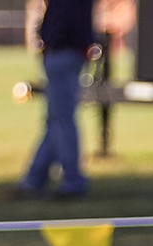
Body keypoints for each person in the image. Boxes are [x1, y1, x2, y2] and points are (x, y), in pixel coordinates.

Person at [15, 0, 92, 198]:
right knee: (55, 119)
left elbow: (65, 18)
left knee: (63, 120)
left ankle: (72, 181)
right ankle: (34, 179)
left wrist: (50, 43)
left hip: (63, 52)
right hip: (67, 52)